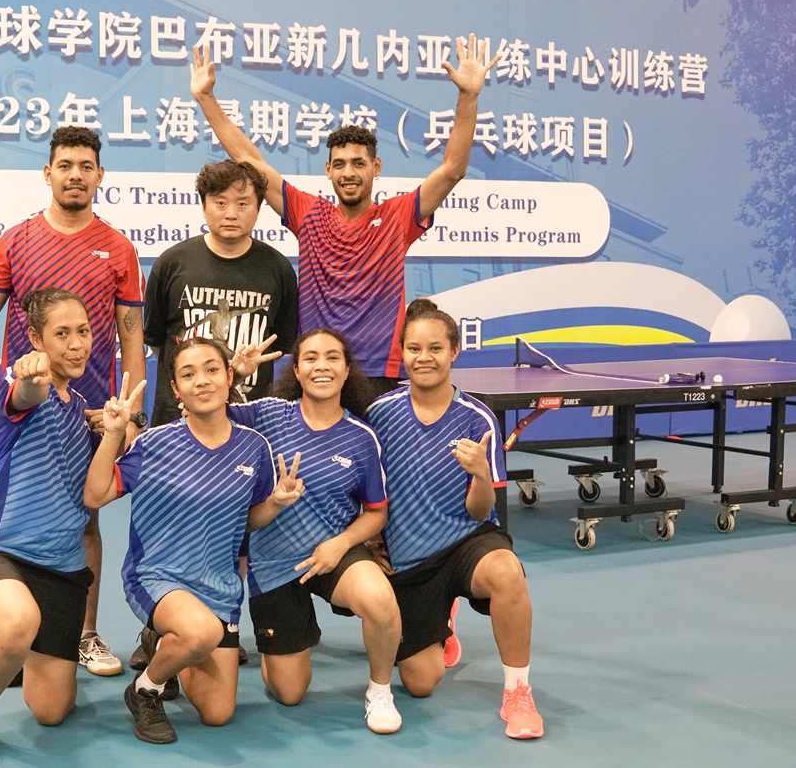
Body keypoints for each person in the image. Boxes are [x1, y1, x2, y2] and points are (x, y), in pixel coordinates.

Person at [0, 126, 145, 677]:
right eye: (64, 164)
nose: (75, 174)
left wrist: (131, 416)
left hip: (91, 413)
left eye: (86, 165)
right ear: (48, 173)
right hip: (27, 411)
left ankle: (82, 634)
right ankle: (11, 620)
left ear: (99, 175)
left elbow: (132, 338)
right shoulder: (15, 242)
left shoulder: (118, 248)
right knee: (17, 515)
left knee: (84, 521)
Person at [191, 35, 500, 397]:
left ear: (376, 167)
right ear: (327, 170)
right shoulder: (309, 213)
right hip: (315, 369)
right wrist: (206, 99)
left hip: (376, 373)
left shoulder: (399, 216)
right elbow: (251, 163)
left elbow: (452, 169)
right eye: (339, 164)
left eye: (358, 163)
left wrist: (468, 96)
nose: (348, 172)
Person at [83, 337, 304, 745]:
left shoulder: (255, 448)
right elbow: (95, 495)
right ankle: (145, 691)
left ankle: (163, 643)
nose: (201, 381)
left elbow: (248, 521)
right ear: (176, 389)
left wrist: (274, 503)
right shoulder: (155, 444)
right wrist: (114, 435)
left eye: (211, 370)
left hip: (219, 588)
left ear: (228, 377)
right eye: (188, 374)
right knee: (200, 632)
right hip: (157, 577)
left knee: (217, 713)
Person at [365, 298, 543, 740]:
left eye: (435, 348)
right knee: (421, 683)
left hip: (466, 543)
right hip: (410, 564)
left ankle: (518, 691)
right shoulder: (380, 414)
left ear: (454, 351)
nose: (423, 358)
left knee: (508, 574)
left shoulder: (476, 417)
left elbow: (481, 511)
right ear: (402, 352)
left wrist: (481, 472)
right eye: (413, 349)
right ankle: (443, 614)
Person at [0, 288, 106, 766]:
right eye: (62, 334)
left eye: (83, 331)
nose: (77, 344)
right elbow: (27, 391)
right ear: (36, 338)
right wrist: (31, 374)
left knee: (52, 711)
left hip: (60, 571)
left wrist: (119, 429)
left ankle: (15, 653)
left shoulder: (85, 413)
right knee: (17, 623)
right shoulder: (18, 391)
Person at [225, 328, 403, 733]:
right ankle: (285, 648)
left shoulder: (361, 437)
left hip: (334, 553)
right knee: (289, 692)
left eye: (332, 358)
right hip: (273, 565)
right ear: (297, 370)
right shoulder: (269, 414)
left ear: (346, 370)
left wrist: (339, 545)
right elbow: (208, 408)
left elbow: (376, 513)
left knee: (380, 600)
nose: (321, 365)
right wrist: (235, 373)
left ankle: (379, 690)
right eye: (310, 358)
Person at [143, 159, 298, 427]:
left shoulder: (279, 268)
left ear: (259, 208)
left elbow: (280, 344)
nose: (231, 213)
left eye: (242, 203)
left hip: (251, 423)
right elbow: (158, 342)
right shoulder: (172, 263)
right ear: (204, 207)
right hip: (178, 422)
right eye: (220, 202)